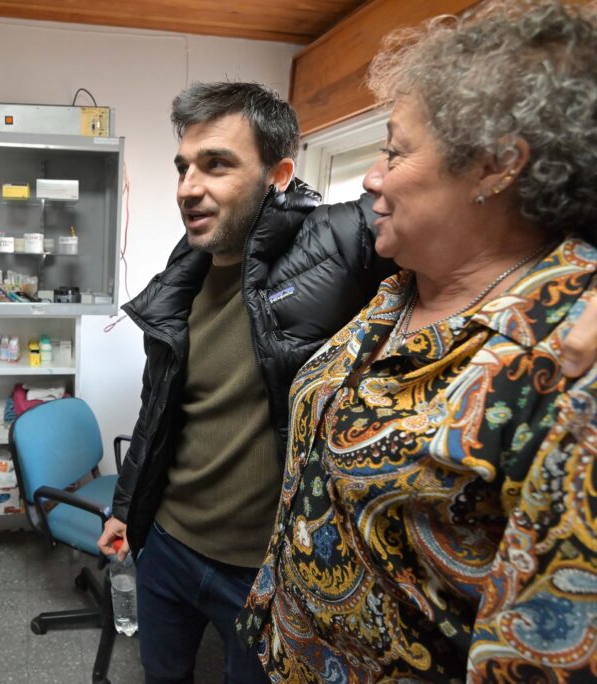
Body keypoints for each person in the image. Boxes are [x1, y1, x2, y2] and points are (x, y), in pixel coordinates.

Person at [238, 1, 597, 680]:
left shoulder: (567, 358)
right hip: (284, 646)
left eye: (395, 151)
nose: (372, 176)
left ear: (496, 167)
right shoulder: (400, 281)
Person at [97, 81, 394, 682]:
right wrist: (125, 508)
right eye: (183, 167)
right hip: (169, 546)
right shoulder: (183, 272)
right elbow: (157, 410)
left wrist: (578, 288)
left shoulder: (339, 241)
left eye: (216, 165)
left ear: (278, 174)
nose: (188, 187)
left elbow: (496, 201)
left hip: (266, 567)